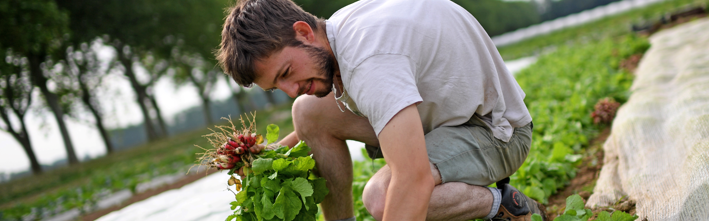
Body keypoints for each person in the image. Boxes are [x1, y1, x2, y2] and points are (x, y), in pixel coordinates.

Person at [217, 0, 547, 220]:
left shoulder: (369, 60)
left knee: (382, 196)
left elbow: (412, 179)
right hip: (446, 115)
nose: (290, 90)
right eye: (278, 87)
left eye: (287, 73)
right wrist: (269, 155)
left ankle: (501, 206)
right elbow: (318, 120)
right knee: (307, 111)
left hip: (496, 132)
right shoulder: (339, 31)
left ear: (303, 32)